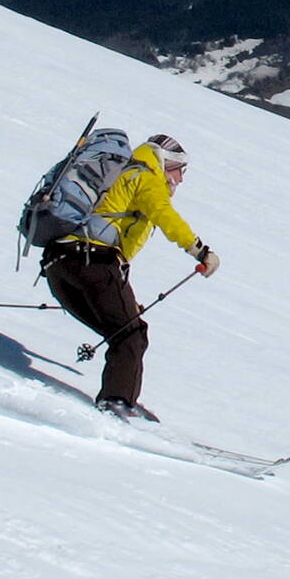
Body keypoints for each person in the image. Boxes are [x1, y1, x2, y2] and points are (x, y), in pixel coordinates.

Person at [39, 132, 218, 420]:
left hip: (58, 265)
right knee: (131, 333)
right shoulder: (146, 177)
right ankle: (116, 403)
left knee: (123, 329)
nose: (180, 180)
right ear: (166, 162)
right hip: (93, 261)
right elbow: (164, 214)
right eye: (179, 171)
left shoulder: (121, 173)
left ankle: (119, 398)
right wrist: (200, 251)